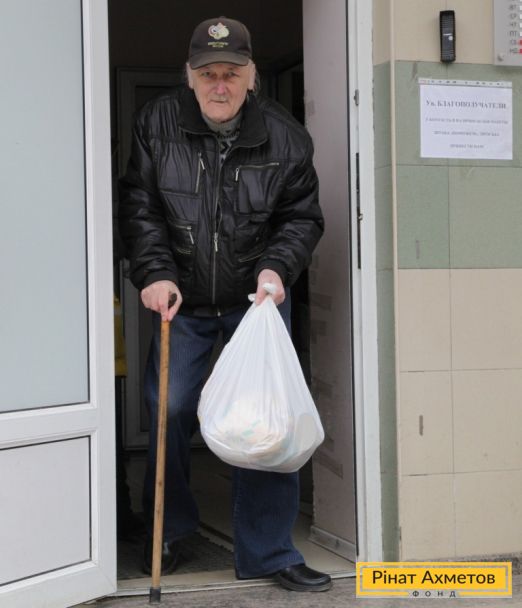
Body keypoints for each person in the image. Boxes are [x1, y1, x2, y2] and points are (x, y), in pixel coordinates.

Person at [119, 16, 329, 592]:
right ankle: (170, 529)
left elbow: (301, 218)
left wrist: (277, 268)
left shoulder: (286, 136)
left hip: (254, 300)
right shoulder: (157, 123)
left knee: (266, 423)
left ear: (251, 76)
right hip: (182, 300)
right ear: (189, 76)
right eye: (208, 73)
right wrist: (155, 272)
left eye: (231, 74)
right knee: (168, 408)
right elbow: (140, 206)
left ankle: (269, 552)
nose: (219, 85)